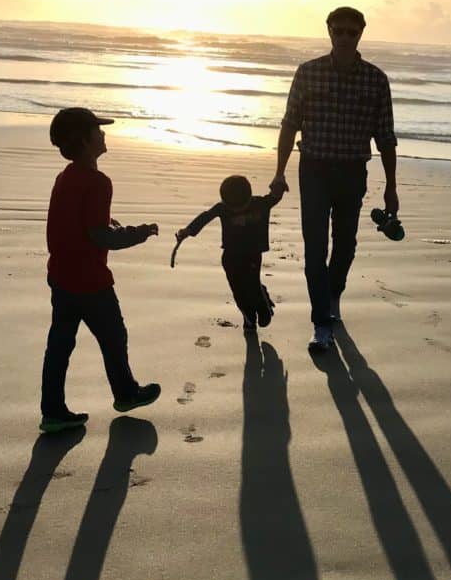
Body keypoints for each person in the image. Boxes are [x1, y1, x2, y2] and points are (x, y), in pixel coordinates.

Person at [272, 5, 399, 351]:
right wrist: (279, 173)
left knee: (345, 245)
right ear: (329, 31)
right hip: (312, 169)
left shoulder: (376, 80)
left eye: (351, 32)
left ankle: (332, 296)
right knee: (315, 248)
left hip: (351, 171)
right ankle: (321, 324)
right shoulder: (308, 73)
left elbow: (386, 137)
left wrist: (391, 188)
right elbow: (289, 124)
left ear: (361, 34)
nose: (344, 37)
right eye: (338, 30)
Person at [40, 107, 162, 433]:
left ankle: (52, 411)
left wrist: (107, 222)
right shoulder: (98, 182)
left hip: (61, 277)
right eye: (98, 130)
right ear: (85, 140)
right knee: (113, 336)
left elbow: (75, 222)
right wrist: (138, 232)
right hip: (90, 282)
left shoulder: (66, 177)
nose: (104, 134)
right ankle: (125, 394)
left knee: (60, 345)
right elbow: (98, 237)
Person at [172, 175, 283, 331]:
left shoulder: (259, 203)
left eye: (240, 208)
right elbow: (205, 217)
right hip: (230, 256)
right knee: (237, 290)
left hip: (252, 254)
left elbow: (274, 197)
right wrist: (188, 230)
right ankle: (249, 317)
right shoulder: (223, 207)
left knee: (252, 285)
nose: (235, 210)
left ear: (249, 197)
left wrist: (279, 185)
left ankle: (263, 308)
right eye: (232, 208)